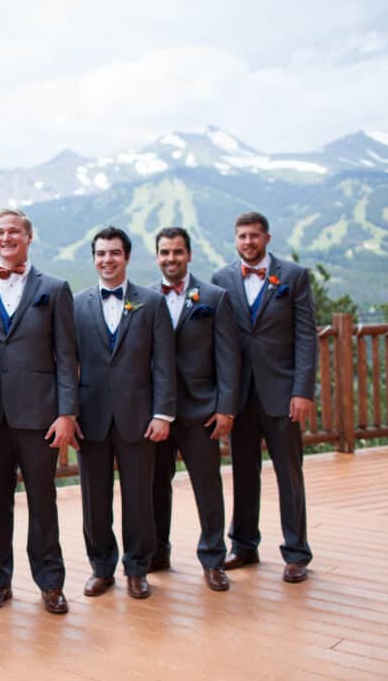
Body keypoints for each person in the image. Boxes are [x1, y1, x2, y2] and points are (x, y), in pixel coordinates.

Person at [0, 209, 77, 615]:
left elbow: (66, 357)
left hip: (40, 417)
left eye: (14, 231)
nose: (6, 237)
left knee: (42, 500)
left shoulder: (55, 288)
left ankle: (51, 583)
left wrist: (66, 413)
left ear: (29, 237)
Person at [211, 212, 316, 583]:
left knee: (289, 472)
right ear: (235, 239)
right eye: (242, 236)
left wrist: (302, 390)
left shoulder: (293, 277)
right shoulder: (221, 279)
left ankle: (296, 553)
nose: (248, 242)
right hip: (239, 395)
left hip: (282, 393)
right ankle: (243, 546)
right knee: (243, 472)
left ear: (267, 238)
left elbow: (306, 336)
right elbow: (216, 342)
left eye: (254, 236)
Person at [72, 226, 176, 599]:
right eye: (101, 254)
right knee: (93, 499)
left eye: (114, 253)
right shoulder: (77, 303)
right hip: (90, 418)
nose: (107, 260)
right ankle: (101, 567)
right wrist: (69, 414)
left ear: (127, 257)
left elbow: (164, 363)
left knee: (139, 498)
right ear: (94, 258)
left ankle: (137, 568)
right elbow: (68, 365)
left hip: (139, 417)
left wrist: (163, 414)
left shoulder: (151, 303)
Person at [150, 227, 238, 591]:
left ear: (189, 254)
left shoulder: (214, 297)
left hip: (201, 408)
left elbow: (228, 356)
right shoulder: (143, 298)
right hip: (157, 411)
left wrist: (226, 407)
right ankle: (157, 552)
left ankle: (213, 559)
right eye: (165, 253)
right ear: (157, 256)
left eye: (177, 252)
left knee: (207, 485)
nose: (171, 259)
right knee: (156, 484)